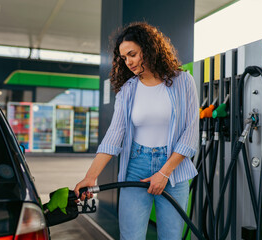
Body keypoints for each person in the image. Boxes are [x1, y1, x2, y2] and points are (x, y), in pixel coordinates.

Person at [74, 22, 199, 240]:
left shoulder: (183, 82)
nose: (128, 62)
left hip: (174, 170)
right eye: (123, 58)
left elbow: (190, 134)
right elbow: (114, 136)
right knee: (130, 236)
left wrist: (164, 173)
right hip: (136, 165)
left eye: (132, 54)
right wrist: (90, 177)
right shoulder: (128, 91)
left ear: (149, 49)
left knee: (171, 236)